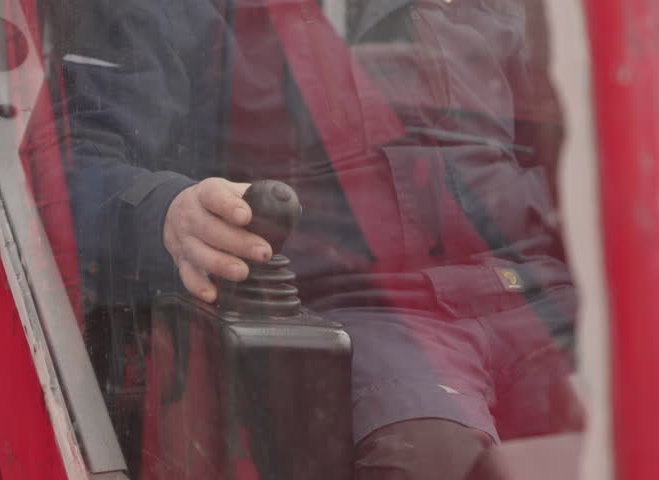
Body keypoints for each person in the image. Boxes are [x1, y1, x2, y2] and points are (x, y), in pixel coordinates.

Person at [48, 0, 583, 477]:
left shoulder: (520, 13)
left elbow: (576, 148)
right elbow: (63, 171)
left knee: (649, 414)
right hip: (370, 311)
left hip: (538, 290)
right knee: (430, 455)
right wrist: (169, 213)